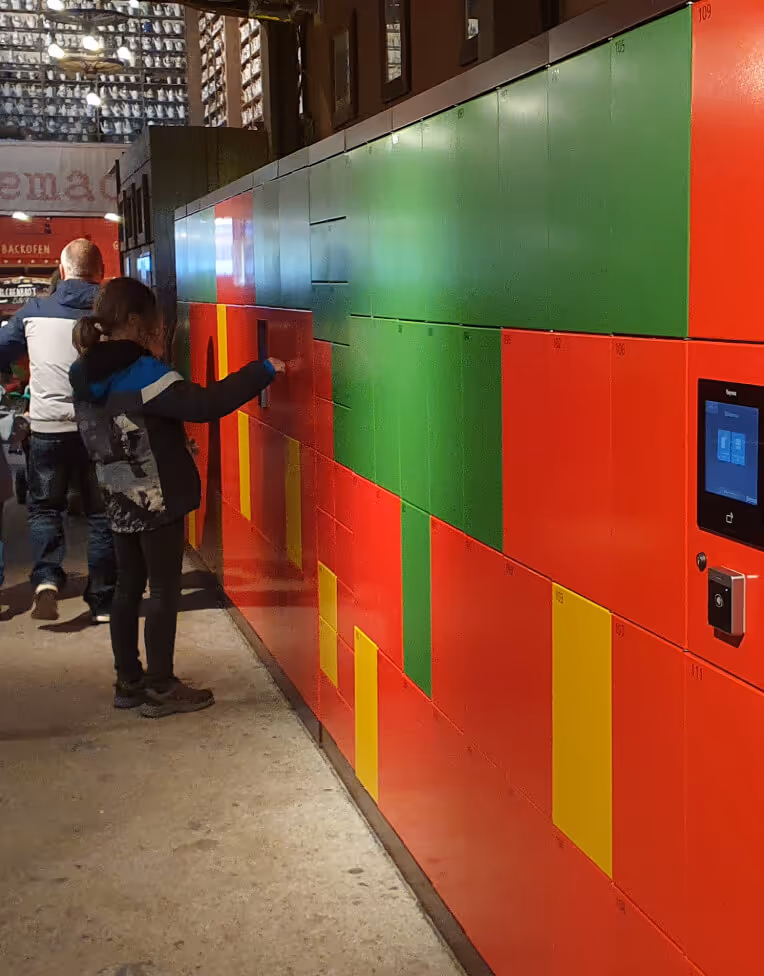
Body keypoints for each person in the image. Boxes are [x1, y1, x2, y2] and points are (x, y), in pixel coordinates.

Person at [70, 277, 285, 718]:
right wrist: (264, 369)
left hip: (116, 495)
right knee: (163, 590)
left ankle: (128, 683)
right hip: (157, 497)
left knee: (128, 587)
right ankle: (163, 686)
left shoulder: (83, 369)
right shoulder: (144, 372)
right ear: (135, 320)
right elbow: (206, 405)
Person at [0, 239, 115, 622]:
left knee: (45, 508)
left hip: (47, 428)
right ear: (100, 272)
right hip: (97, 429)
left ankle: (47, 581)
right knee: (101, 514)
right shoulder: (112, 312)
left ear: (62, 270)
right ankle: (101, 601)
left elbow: (2, 350)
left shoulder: (33, 311)